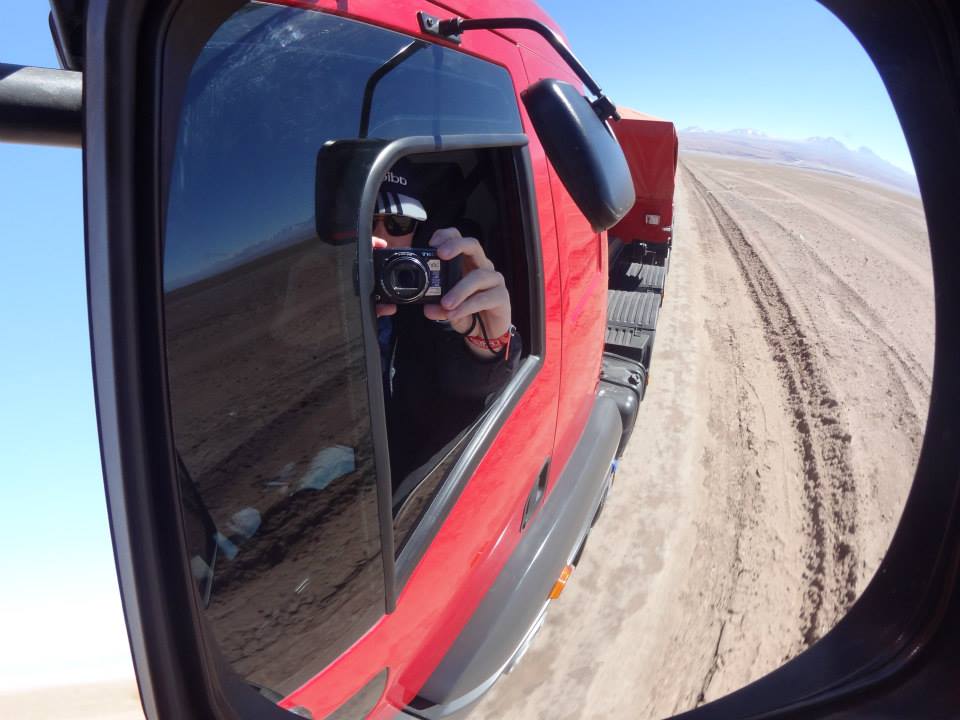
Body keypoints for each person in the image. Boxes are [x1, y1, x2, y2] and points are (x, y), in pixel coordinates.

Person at [372, 159, 521, 498]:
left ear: (418, 234)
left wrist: (490, 345)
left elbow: (462, 384)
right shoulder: (316, 292)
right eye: (364, 222)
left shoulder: (429, 301)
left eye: (399, 222)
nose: (380, 237)